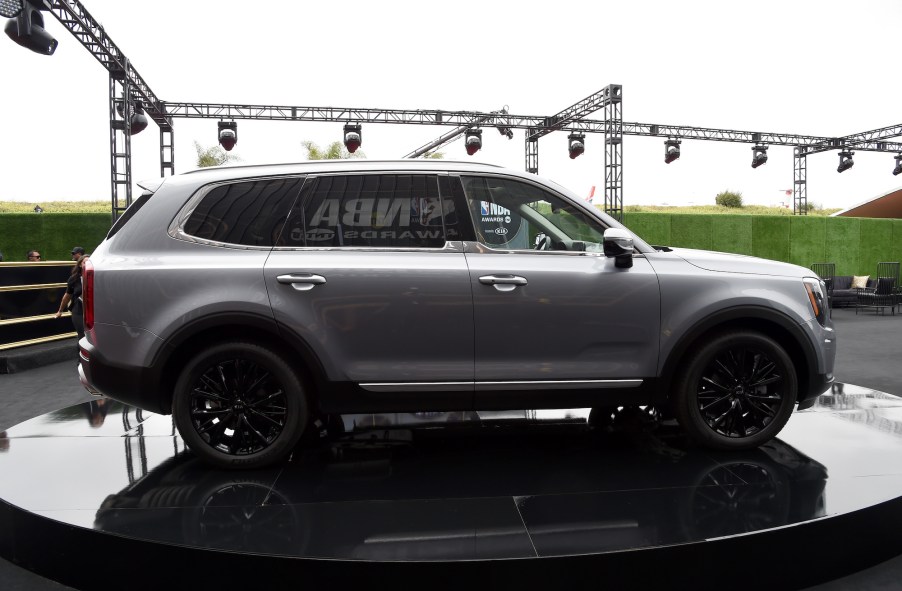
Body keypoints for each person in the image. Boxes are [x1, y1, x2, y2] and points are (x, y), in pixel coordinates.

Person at [55, 255, 89, 341]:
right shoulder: (74, 278)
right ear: (80, 264)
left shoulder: (98, 277)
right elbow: (67, 296)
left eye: (90, 263)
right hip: (79, 310)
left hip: (94, 311)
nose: (88, 265)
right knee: (83, 336)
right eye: (85, 263)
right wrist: (60, 311)